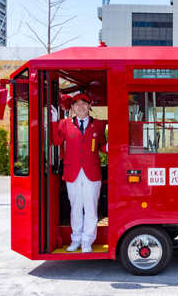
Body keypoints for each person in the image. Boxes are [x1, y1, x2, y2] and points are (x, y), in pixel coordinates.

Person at [51, 93, 108, 253]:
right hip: (72, 171)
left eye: (84, 103)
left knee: (91, 207)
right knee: (75, 207)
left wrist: (109, 148)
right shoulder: (64, 123)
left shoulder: (98, 124)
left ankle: (87, 241)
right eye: (77, 104)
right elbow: (55, 141)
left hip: (92, 171)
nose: (81, 106)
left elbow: (101, 144)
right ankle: (76, 239)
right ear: (72, 107)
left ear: (90, 106)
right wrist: (54, 123)